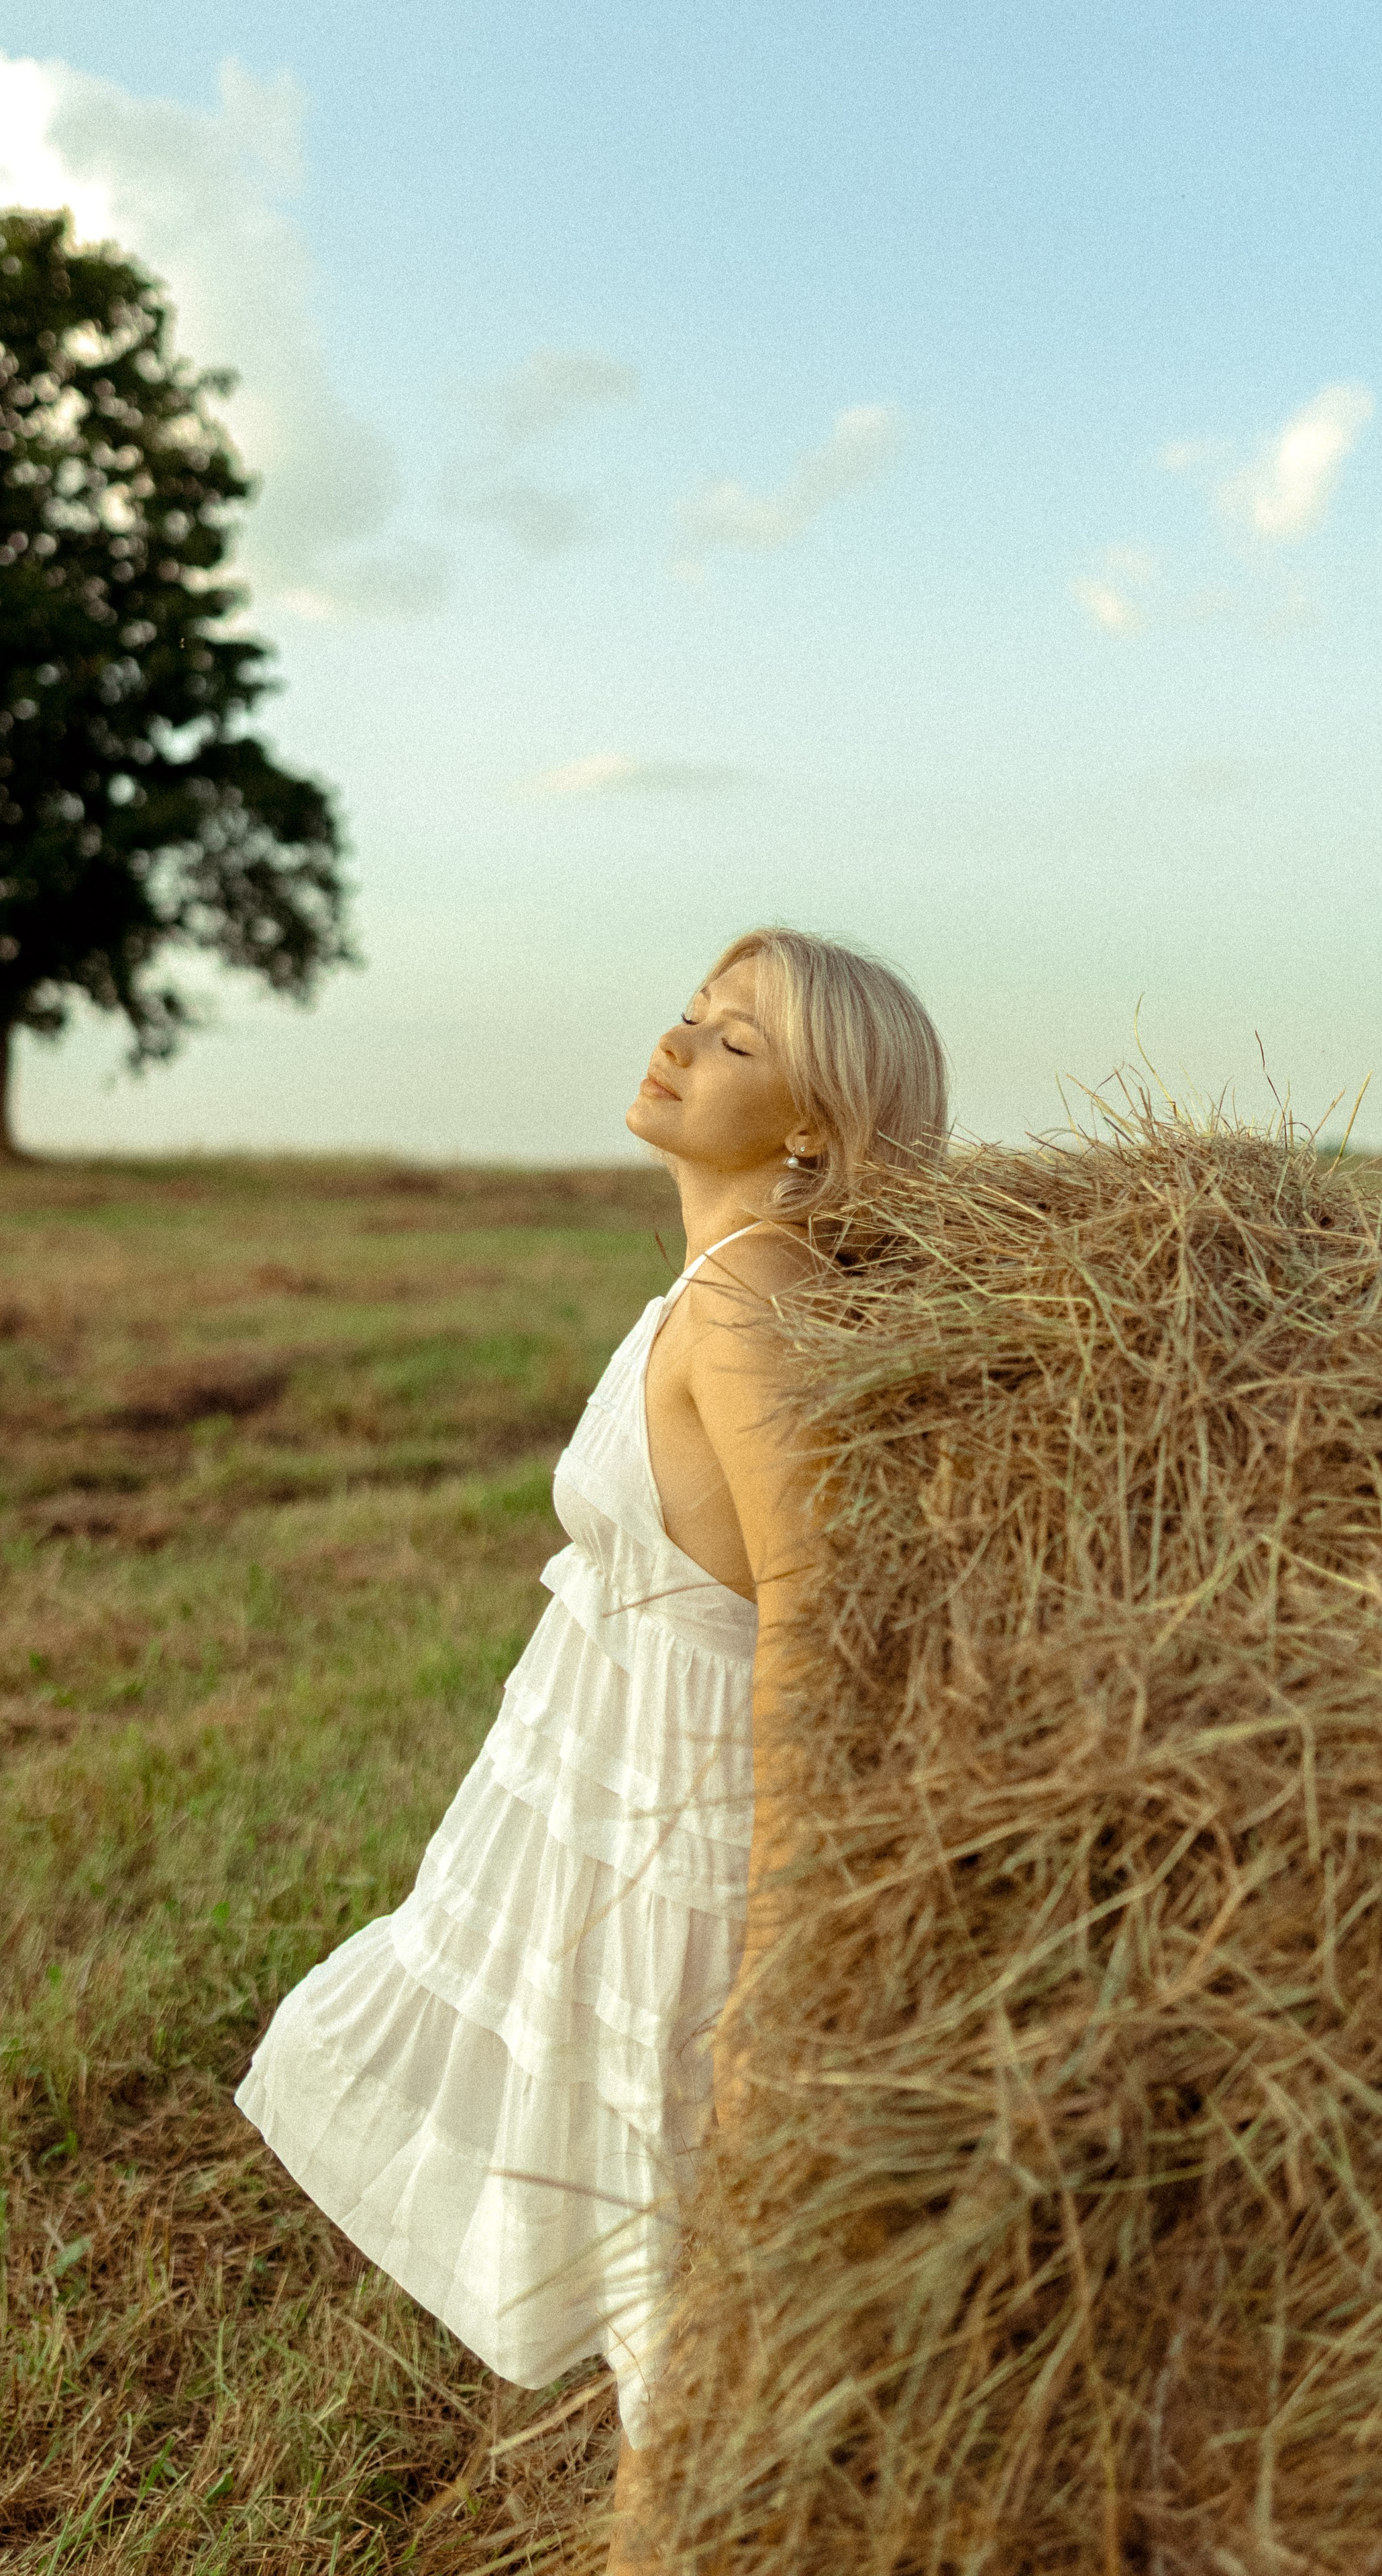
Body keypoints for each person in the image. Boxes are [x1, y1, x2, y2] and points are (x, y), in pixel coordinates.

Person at [235, 925, 949, 2567]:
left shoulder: (754, 1300)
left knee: (682, 2310)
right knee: (667, 2305)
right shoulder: (711, 1283)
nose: (677, 1042)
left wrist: (783, 1934)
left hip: (686, 1848)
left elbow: (814, 1612)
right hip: (611, 1819)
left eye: (734, 1040)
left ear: (813, 1128)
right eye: (691, 1013)